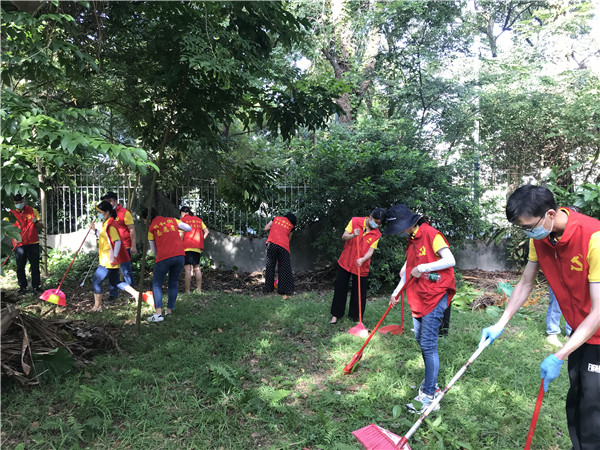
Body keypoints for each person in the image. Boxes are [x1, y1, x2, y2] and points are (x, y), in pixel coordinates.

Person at [479, 185, 600, 450]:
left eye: (529, 227)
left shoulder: (594, 238)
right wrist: (500, 323)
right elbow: (525, 283)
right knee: (576, 400)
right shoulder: (541, 238)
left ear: (550, 214)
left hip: (597, 333)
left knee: (593, 410)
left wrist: (560, 354)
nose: (528, 233)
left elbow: (598, 311)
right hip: (579, 331)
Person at [384, 204, 456, 413]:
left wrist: (423, 267)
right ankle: (431, 384)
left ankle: (429, 395)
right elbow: (408, 271)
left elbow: (450, 260)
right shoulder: (411, 240)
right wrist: (397, 292)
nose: (398, 232)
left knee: (428, 344)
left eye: (398, 228)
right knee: (420, 339)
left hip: (435, 295)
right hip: (419, 297)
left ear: (406, 223)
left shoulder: (431, 234)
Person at [329, 208, 385, 325]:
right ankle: (336, 315)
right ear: (371, 216)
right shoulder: (355, 221)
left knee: (359, 292)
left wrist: (363, 259)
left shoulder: (377, 234)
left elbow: (370, 251)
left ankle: (355, 317)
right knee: (340, 288)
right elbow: (344, 236)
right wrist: (353, 235)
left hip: (361, 265)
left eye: (379, 224)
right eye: (376, 221)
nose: (376, 225)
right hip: (346, 261)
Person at [141, 207, 192, 323]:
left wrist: (158, 256)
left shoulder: (151, 228)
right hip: (180, 256)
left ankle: (158, 314)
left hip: (164, 257)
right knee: (173, 283)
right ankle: (169, 311)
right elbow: (188, 228)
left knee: (156, 284)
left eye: (144, 221)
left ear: (147, 219)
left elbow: (154, 250)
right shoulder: (172, 220)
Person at [91, 201, 140, 311]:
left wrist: (114, 257)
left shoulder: (111, 225)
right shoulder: (107, 223)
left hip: (108, 259)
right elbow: (105, 237)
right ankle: (136, 294)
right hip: (107, 258)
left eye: (100, 212)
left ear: (107, 212)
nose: (99, 214)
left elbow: (117, 241)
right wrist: (95, 231)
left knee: (96, 280)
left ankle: (97, 306)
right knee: (115, 281)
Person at [546, 205, 580, 347]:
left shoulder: (580, 235)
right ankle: (552, 332)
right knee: (556, 302)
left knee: (574, 304)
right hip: (557, 276)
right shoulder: (552, 236)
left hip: (574, 277)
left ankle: (571, 331)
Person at [101, 192, 137, 300]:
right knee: (112, 271)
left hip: (124, 246)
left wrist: (133, 246)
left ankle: (133, 293)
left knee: (126, 270)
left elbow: (132, 229)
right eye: (106, 202)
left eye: (110, 201)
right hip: (111, 248)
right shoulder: (107, 214)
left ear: (116, 201)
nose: (108, 203)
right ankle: (113, 294)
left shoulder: (125, 213)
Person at [9, 194, 44, 294]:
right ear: (13, 203)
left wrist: (36, 222)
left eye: (20, 202)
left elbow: (41, 225)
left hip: (33, 242)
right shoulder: (10, 214)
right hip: (19, 244)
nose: (19, 204)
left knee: (35, 265)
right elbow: (6, 230)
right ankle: (22, 287)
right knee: (20, 266)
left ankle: (36, 287)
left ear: (23, 200)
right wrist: (14, 237)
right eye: (16, 203)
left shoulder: (32, 210)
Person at [264, 213, 297, 295]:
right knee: (284, 268)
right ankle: (284, 290)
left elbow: (266, 228)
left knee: (270, 266)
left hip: (272, 244)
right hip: (283, 247)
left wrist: (273, 231)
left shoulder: (275, 218)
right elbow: (288, 239)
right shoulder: (291, 226)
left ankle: (268, 289)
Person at [180, 206, 209, 294]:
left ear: (183, 213)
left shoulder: (182, 220)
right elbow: (207, 231)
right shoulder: (198, 220)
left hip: (186, 246)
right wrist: (201, 240)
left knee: (188, 269)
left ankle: (187, 291)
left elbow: (181, 234)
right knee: (197, 268)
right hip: (197, 247)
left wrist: (179, 244)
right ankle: (199, 290)